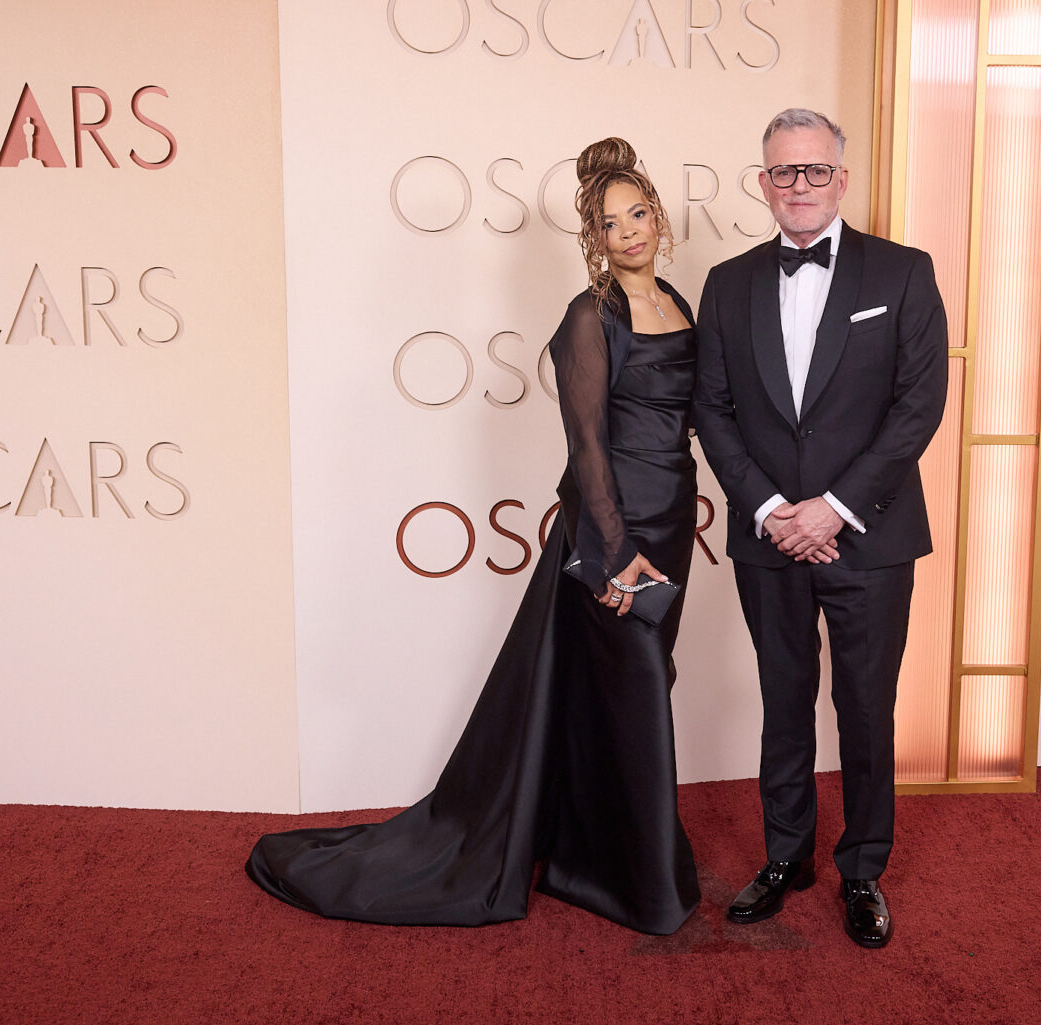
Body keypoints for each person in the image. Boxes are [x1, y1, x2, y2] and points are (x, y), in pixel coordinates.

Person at [246, 138, 702, 935]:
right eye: (610, 222)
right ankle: (643, 887)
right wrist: (614, 556)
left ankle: (590, 861)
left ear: (657, 215)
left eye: (637, 214)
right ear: (592, 237)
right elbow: (588, 447)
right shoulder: (589, 317)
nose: (629, 231)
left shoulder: (677, 301)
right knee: (636, 698)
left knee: (637, 692)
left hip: (671, 524)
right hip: (613, 540)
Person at [692, 108, 948, 948]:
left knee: (867, 708)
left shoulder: (905, 272)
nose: (798, 186)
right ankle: (785, 855)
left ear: (842, 178)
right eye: (781, 172)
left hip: (870, 536)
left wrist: (832, 509)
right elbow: (713, 411)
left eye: (814, 171)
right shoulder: (726, 283)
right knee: (782, 700)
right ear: (762, 184)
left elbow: (918, 407)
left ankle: (863, 867)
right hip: (768, 537)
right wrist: (771, 510)